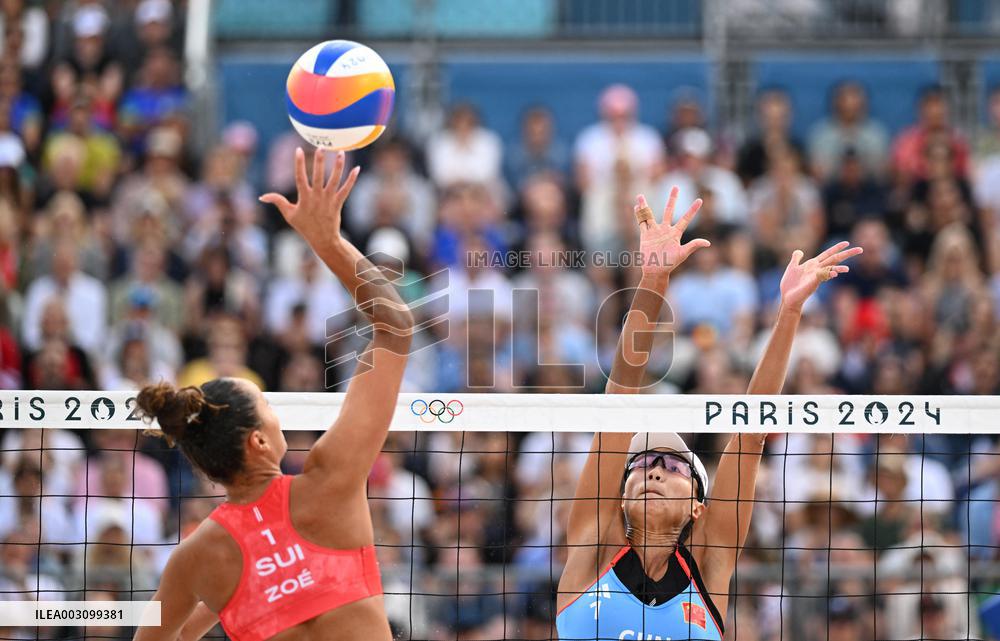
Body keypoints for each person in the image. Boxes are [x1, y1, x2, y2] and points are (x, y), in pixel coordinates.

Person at [133, 148, 414, 641]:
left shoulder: (195, 558)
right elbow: (395, 328)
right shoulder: (331, 482)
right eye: (268, 407)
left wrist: (228, 603)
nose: (276, 416)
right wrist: (327, 241)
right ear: (258, 443)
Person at [556, 188, 861, 640]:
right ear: (619, 498)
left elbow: (751, 429)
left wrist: (790, 311)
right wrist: (654, 283)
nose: (655, 469)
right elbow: (619, 396)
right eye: (642, 464)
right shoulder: (591, 547)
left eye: (672, 464)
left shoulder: (709, 569)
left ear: (699, 507)